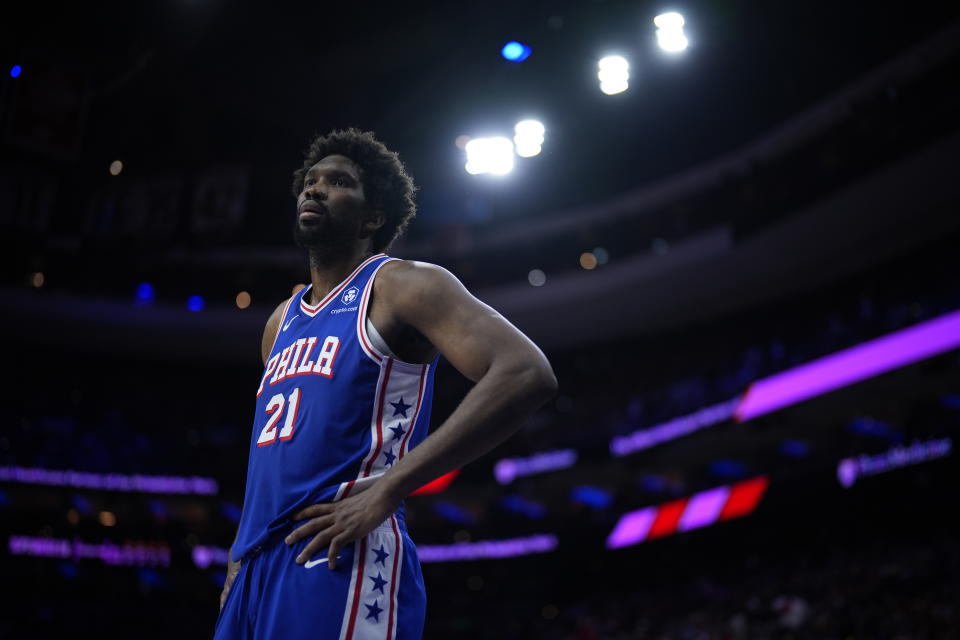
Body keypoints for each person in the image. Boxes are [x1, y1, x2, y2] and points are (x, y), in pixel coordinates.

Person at [214, 128, 557, 640]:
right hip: (255, 571)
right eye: (310, 182)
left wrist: (392, 487)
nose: (314, 190)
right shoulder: (279, 322)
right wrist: (238, 555)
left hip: (339, 551)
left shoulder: (403, 285)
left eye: (338, 183)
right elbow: (271, 453)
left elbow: (525, 372)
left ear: (373, 216)